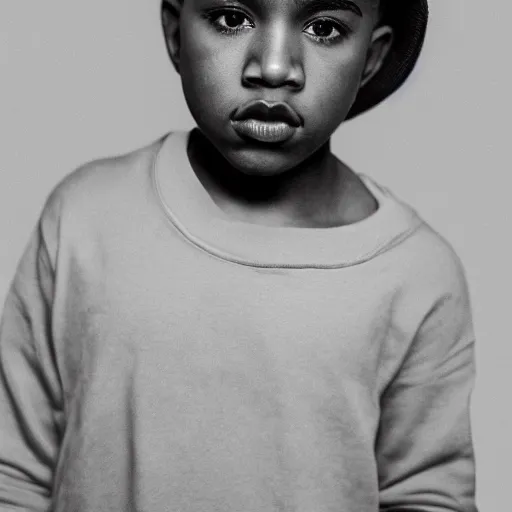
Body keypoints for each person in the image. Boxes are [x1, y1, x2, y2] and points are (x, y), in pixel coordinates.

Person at [0, 0, 478, 510]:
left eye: (324, 28)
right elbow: (15, 473)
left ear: (371, 58)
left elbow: (427, 495)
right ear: (175, 31)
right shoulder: (84, 216)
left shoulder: (416, 275)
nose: (274, 68)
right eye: (232, 19)